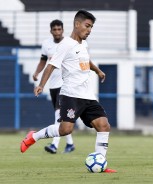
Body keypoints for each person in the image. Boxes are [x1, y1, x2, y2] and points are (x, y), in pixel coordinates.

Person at [20, 9, 116, 173]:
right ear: (77, 24)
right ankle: (33, 136)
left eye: (91, 27)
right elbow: (51, 65)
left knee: (104, 125)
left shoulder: (83, 44)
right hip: (70, 95)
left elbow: (86, 60)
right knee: (65, 130)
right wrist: (42, 85)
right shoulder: (65, 44)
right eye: (87, 26)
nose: (89, 30)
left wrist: (97, 70)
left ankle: (100, 162)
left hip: (87, 95)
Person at [33, 19, 80, 154]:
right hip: (53, 85)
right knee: (61, 116)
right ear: (51, 31)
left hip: (65, 84)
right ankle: (70, 144)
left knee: (59, 114)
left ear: (63, 30)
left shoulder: (68, 44)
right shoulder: (46, 44)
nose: (57, 32)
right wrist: (37, 73)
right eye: (55, 29)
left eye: (59, 29)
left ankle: (54, 145)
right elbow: (43, 61)